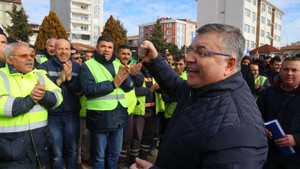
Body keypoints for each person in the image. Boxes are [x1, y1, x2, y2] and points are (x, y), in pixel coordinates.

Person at [130, 23, 268, 169]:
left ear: (229, 64)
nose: (188, 58)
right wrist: (154, 60)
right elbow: (178, 86)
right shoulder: (204, 87)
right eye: (191, 51)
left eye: (201, 53)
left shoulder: (239, 135)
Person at [0, 42, 62, 169]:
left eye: (31, 55)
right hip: (10, 149)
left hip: (39, 147)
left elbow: (58, 97)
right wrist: (31, 99)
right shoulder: (1, 76)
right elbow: (3, 105)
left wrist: (44, 96)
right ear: (9, 60)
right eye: (23, 55)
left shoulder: (39, 74)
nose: (29, 58)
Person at [79, 35, 133, 169]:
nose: (106, 50)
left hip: (119, 118)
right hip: (100, 119)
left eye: (110, 47)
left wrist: (129, 78)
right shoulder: (88, 66)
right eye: (103, 46)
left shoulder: (117, 64)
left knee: (114, 154)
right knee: (99, 156)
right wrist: (113, 83)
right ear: (97, 48)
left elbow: (128, 87)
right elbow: (88, 90)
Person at [39, 39, 82, 169]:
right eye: (60, 49)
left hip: (72, 115)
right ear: (54, 50)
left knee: (72, 151)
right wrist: (59, 79)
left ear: (70, 51)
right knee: (56, 153)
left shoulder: (78, 68)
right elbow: (43, 93)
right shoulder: (44, 67)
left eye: (66, 49)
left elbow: (81, 92)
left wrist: (69, 80)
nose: (63, 52)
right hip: (53, 116)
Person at [257, 56, 300, 169]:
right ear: (280, 71)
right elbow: (256, 116)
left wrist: (296, 139)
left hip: (295, 158)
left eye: (294, 70)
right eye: (285, 69)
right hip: (268, 154)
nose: (289, 73)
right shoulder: (268, 93)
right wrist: (262, 128)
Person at [115, 45, 143, 169]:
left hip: (130, 109)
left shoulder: (133, 65)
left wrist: (135, 74)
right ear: (117, 54)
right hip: (117, 109)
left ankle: (121, 161)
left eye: (128, 54)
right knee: (116, 139)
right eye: (123, 54)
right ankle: (114, 161)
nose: (126, 56)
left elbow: (140, 83)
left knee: (127, 138)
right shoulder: (114, 65)